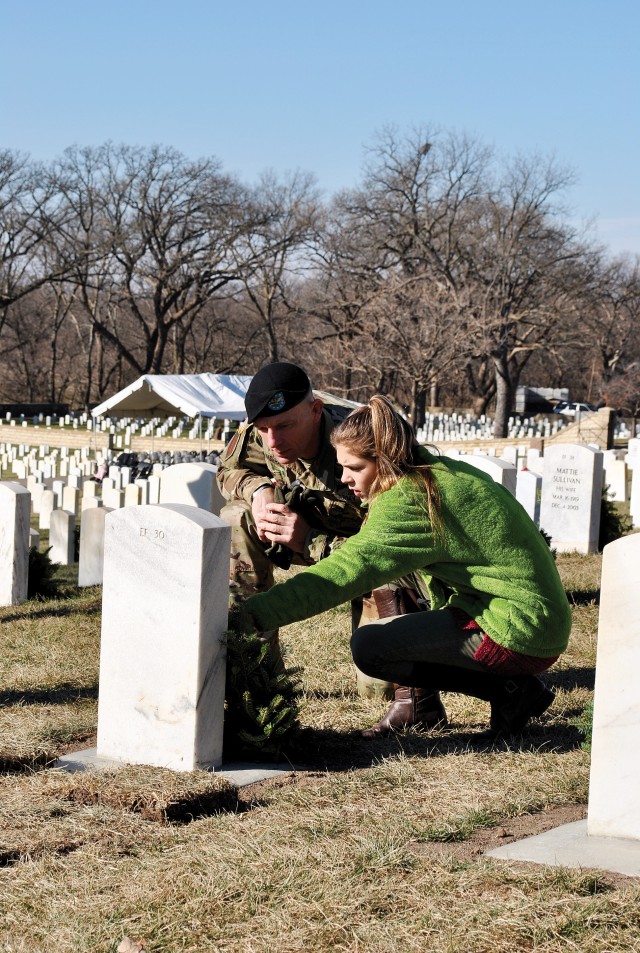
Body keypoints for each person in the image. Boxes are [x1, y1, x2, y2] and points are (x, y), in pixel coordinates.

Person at [235, 395, 572, 739]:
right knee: (394, 582)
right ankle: (428, 703)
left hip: (517, 629)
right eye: (341, 467)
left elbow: (338, 576)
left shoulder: (411, 501)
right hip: (534, 616)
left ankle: (511, 691)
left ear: (386, 460)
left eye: (355, 468)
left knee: (371, 648)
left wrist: (248, 617)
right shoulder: (433, 472)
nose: (346, 479)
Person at [218, 364, 448, 731]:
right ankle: (253, 672)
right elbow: (229, 471)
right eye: (264, 430)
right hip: (305, 538)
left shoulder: (370, 441)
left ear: (315, 409)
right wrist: (258, 492)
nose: (272, 442)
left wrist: (310, 541)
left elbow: (398, 546)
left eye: (284, 426)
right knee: (235, 519)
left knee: (381, 685)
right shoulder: (261, 433)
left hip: (379, 559)